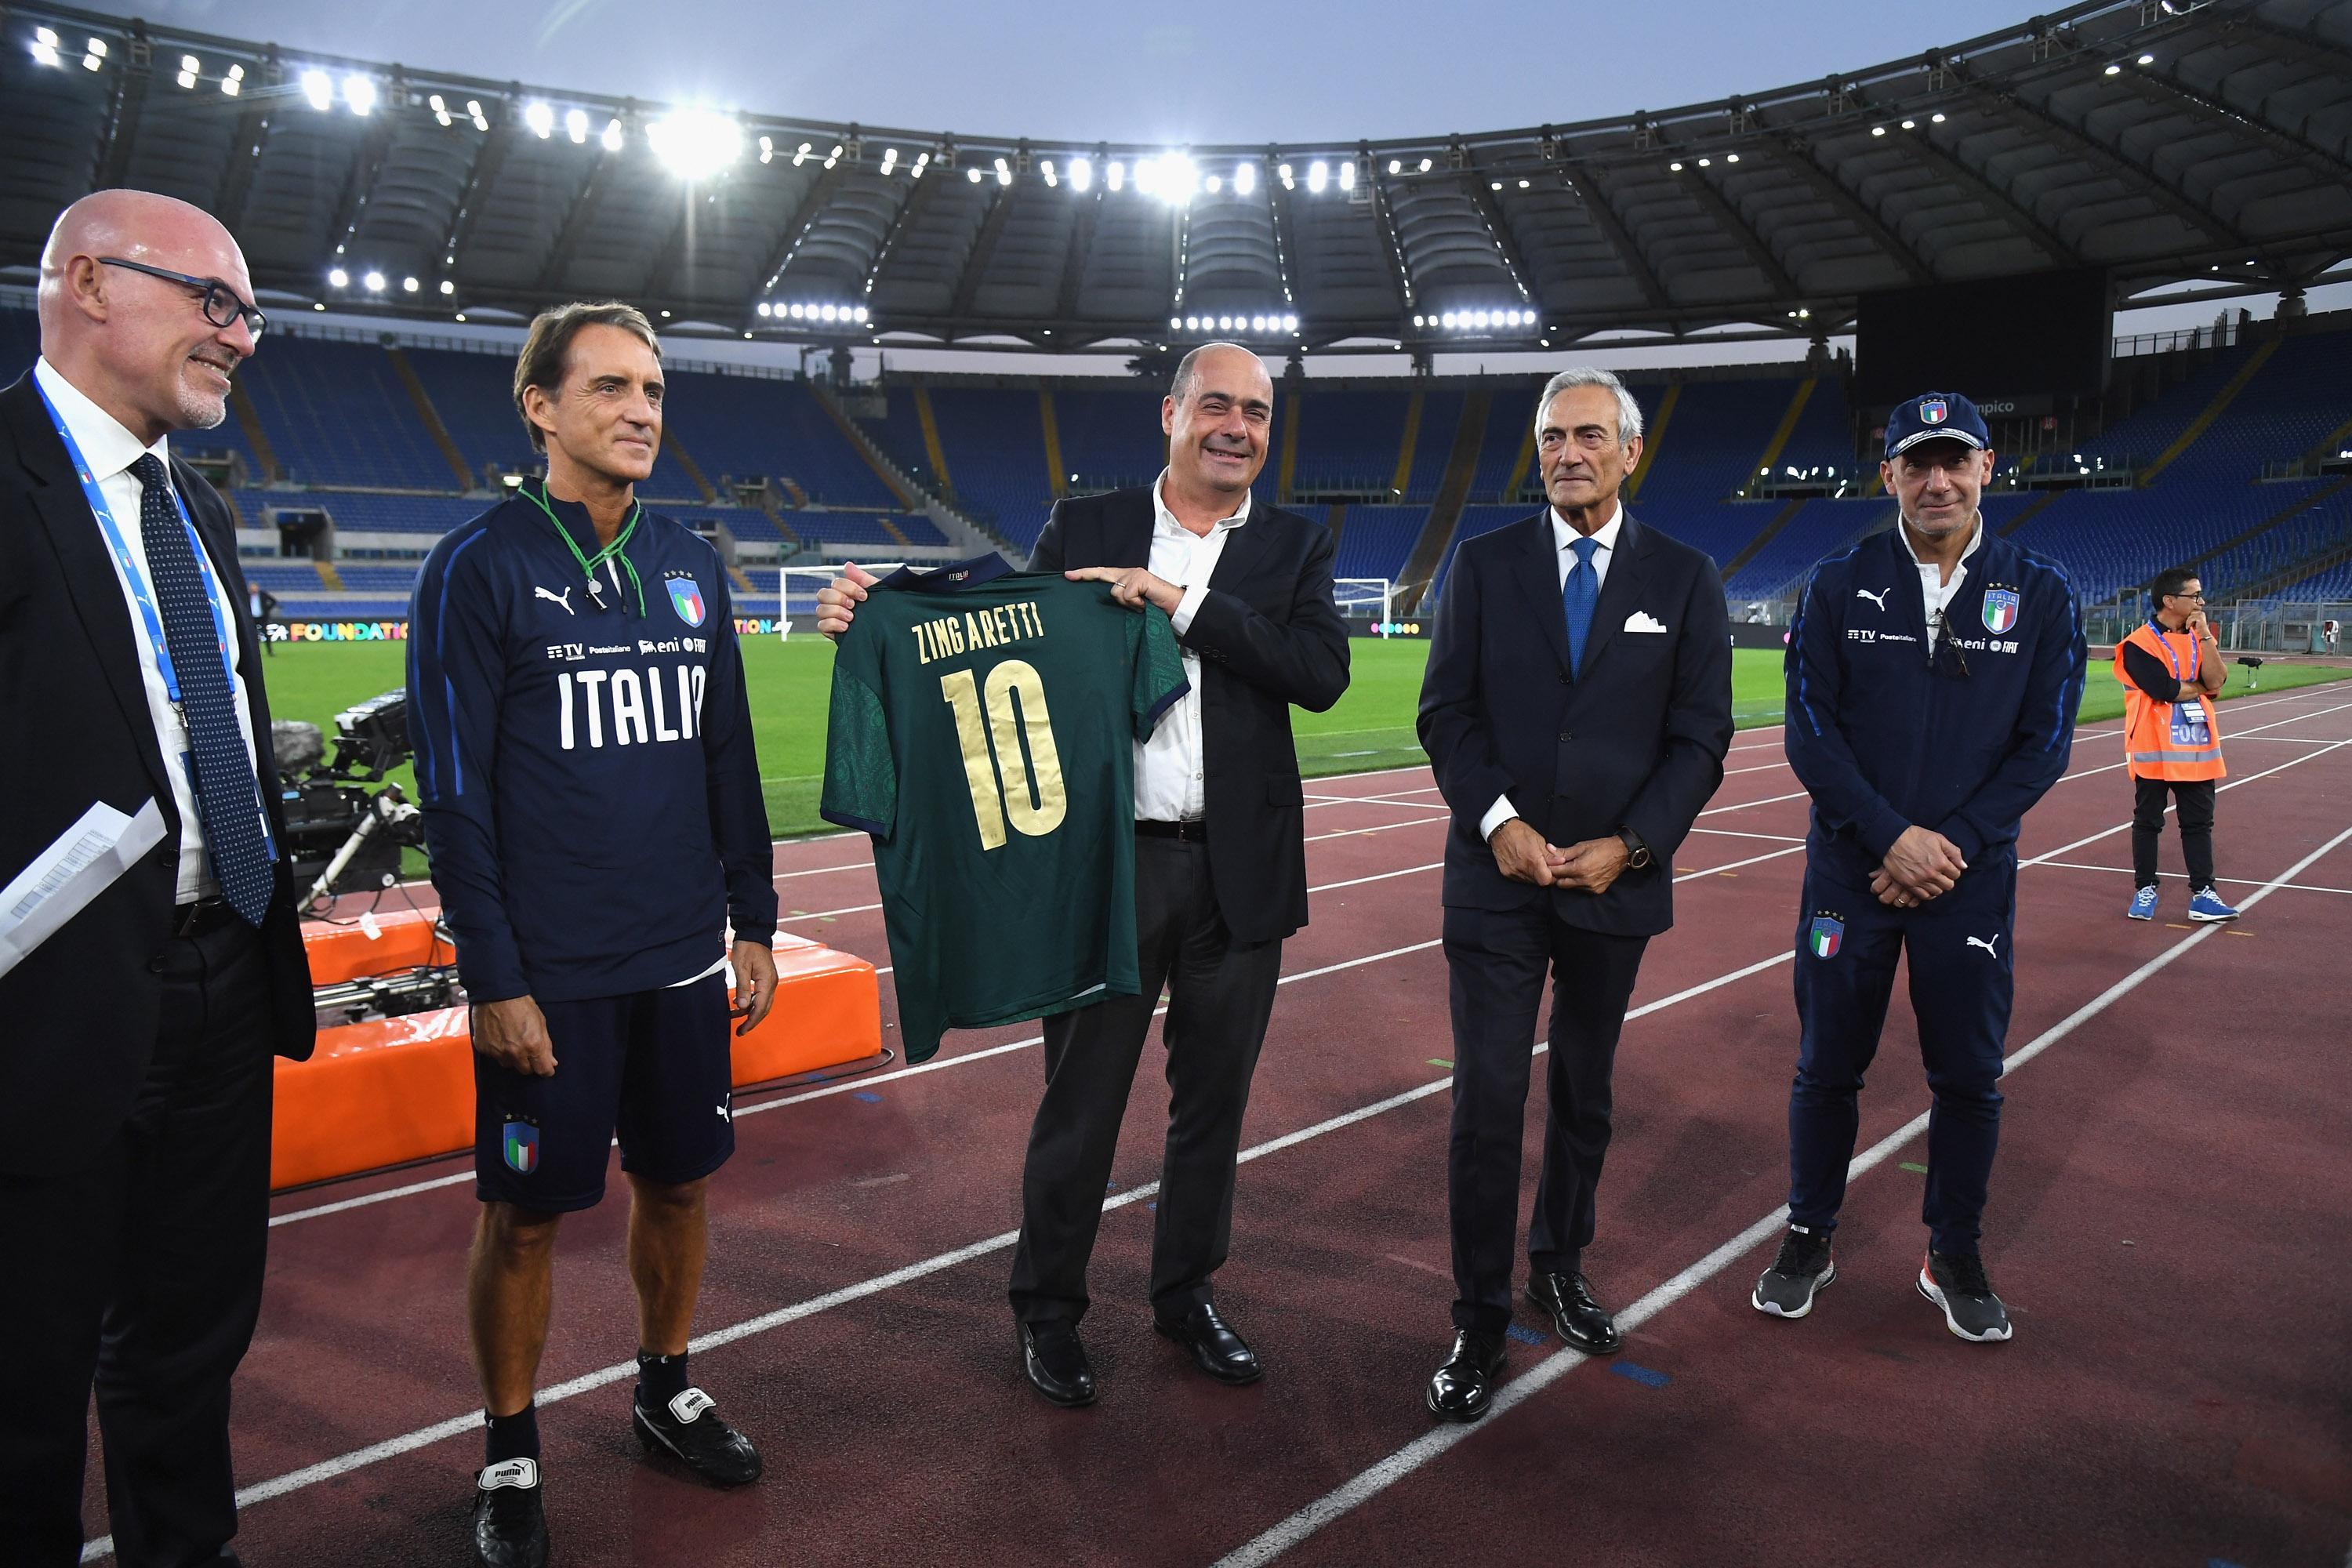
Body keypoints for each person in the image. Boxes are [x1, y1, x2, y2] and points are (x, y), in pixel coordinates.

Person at [817, 342, 1349, 1407]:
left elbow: (1318, 674)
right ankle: (1049, 1310)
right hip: (1109, 863)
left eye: (1255, 412)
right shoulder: (1087, 525)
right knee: (1082, 1100)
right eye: (1216, 405)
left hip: (1240, 868)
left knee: (1213, 1105)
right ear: (1171, 414)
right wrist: (876, 622)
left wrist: (1174, 602)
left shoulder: (1295, 543)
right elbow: (1001, 642)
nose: (1236, 427)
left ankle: (1186, 1293)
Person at [408, 302, 781, 1568]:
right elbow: (453, 795)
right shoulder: (476, 566)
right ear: (541, 407)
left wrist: (753, 920)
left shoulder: (691, 562)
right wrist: (493, 974)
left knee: (679, 1183)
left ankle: (665, 1386)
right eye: (612, 387)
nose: (641, 411)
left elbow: (725, 755)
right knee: (524, 1215)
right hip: (550, 973)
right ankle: (510, 1446)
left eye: (654, 389)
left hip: (678, 956)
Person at [0, 190, 315, 1566]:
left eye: (248, 314)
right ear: (88, 283)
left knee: (190, 1347)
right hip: (43, 1004)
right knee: (22, 1378)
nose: (240, 337)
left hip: (222, 973)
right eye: (214, 301)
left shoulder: (199, 512)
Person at [1415, 366, 1733, 1421]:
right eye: (1553, 436)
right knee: (1487, 1100)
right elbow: (1446, 714)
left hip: (1613, 884)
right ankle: (1476, 1315)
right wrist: (1499, 823)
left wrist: (1632, 847)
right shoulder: (1482, 563)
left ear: (1630, 451)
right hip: (1495, 881)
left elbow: (1702, 735)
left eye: (1590, 435)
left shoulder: (1684, 577)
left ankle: (1559, 1264)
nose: (1568, 453)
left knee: (1585, 1092)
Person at [1757, 390, 2085, 1343]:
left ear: (1988, 467)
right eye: (1916, 463)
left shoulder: (2042, 590)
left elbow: (2044, 745)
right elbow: (1809, 732)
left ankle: (1954, 1249)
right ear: (1889, 474)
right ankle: (1809, 1232)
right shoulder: (1837, 581)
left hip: (1966, 882)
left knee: (1970, 1076)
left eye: (1954, 460)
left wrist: (1952, 844)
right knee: (1826, 1065)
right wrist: (1888, 836)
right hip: (1849, 877)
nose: (1936, 480)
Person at [2118, 568, 2235, 923]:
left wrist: (2206, 637)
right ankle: (2145, 888)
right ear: (2169, 601)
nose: (2201, 601)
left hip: (2196, 746)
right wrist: (2200, 688)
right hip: (2153, 746)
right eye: (2194, 595)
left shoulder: (2200, 638)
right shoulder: (2139, 644)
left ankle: (2203, 894)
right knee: (2148, 821)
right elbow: (2163, 689)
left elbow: (2217, 680)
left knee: (2198, 824)